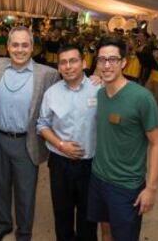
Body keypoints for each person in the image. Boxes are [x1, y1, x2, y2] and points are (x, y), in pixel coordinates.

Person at [87, 36, 158, 241]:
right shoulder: (101, 94)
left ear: (123, 62)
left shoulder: (142, 98)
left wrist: (151, 188)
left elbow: (156, 144)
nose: (106, 65)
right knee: (105, 230)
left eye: (112, 59)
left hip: (127, 185)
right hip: (98, 178)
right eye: (101, 60)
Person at [0, 26, 59, 241]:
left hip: (26, 141)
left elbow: (70, 86)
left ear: (32, 47)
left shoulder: (47, 74)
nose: (20, 50)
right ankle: (3, 224)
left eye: (25, 45)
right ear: (8, 46)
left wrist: (94, 79)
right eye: (15, 45)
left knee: (25, 191)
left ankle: (24, 232)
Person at [37, 45, 111, 241]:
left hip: (91, 166)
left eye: (73, 61)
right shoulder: (51, 93)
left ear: (84, 63)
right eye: (63, 62)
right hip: (60, 164)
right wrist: (61, 145)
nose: (68, 66)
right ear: (59, 67)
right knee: (62, 216)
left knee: (88, 218)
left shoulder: (100, 89)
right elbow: (42, 125)